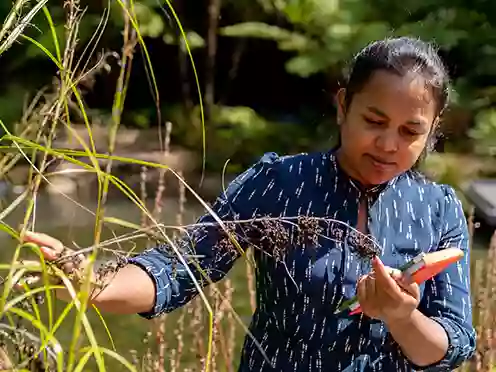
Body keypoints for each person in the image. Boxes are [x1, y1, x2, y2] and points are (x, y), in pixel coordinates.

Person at [22, 36, 476, 371]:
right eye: (374, 121)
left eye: (410, 132)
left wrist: (401, 315)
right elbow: (181, 267)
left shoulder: (439, 209)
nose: (388, 144)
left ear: (433, 129)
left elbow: (452, 344)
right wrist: (92, 281)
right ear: (343, 106)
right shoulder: (279, 183)